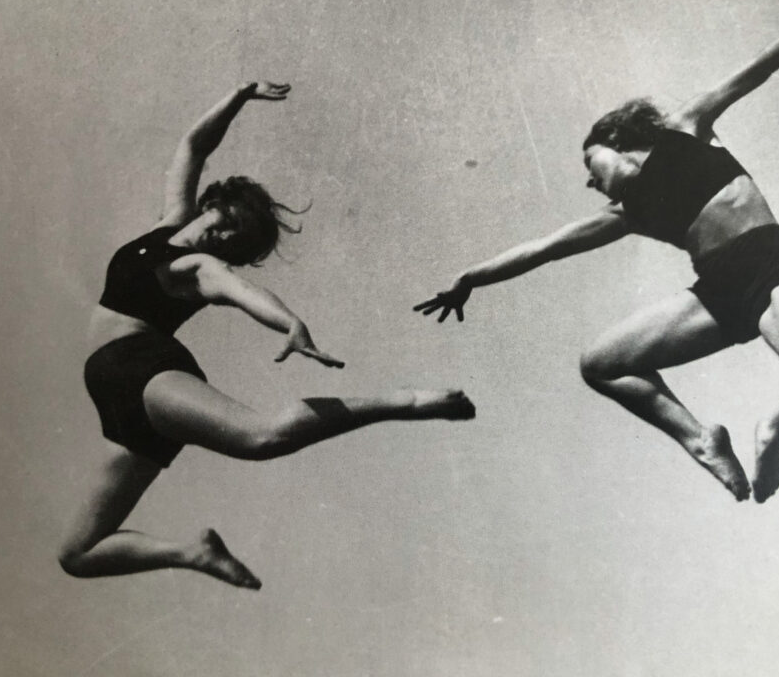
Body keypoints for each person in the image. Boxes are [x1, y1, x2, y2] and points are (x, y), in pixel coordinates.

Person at [417, 0, 779, 503]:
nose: (589, 182)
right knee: (600, 364)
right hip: (718, 295)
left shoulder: (685, 127)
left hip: (768, 269)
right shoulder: (627, 214)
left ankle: (774, 432)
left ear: (616, 142)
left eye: (591, 166)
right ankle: (700, 439)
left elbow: (754, 71)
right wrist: (471, 277)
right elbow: (544, 247)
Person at [60, 82, 474, 589]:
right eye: (230, 220)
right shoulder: (169, 223)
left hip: (139, 367)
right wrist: (238, 96)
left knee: (261, 436)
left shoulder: (200, 266)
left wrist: (289, 323)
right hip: (116, 398)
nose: (226, 235)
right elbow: (192, 146)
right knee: (79, 554)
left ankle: (406, 401)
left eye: (237, 239)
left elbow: (237, 289)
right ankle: (191, 552)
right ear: (213, 202)